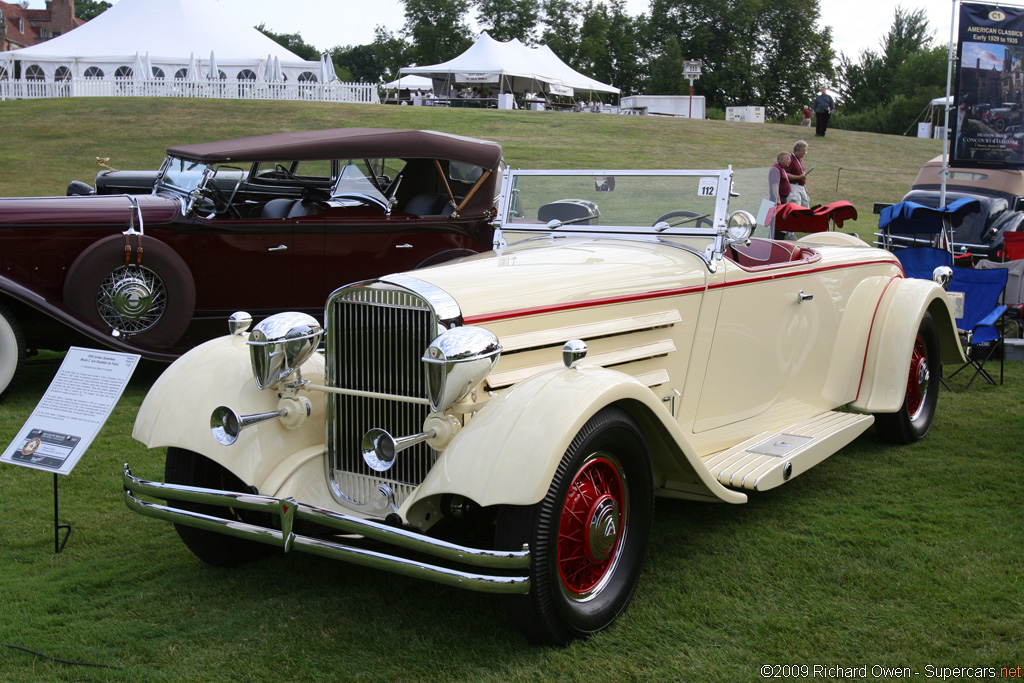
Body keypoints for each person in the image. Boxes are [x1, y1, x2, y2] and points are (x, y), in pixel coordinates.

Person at [768, 151, 793, 239]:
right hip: (778, 199)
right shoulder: (776, 169)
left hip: (782, 198)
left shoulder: (781, 168)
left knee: (780, 222)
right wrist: (778, 199)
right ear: (781, 159)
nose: (790, 161)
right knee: (776, 222)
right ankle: (775, 240)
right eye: (788, 159)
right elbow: (775, 185)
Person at [786, 140, 810, 207]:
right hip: (793, 187)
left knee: (805, 207)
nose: (804, 153)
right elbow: (785, 174)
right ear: (797, 150)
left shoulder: (799, 159)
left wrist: (804, 186)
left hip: (800, 187)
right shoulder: (790, 158)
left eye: (805, 151)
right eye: (803, 151)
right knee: (796, 208)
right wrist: (799, 178)